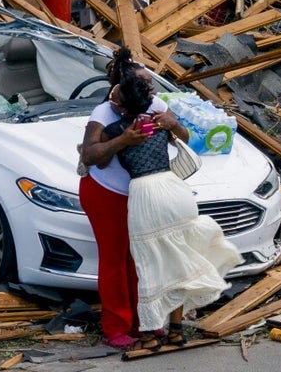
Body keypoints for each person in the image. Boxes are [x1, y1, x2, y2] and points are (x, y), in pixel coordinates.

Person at [101, 67, 243, 349]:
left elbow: (97, 159)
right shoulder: (160, 122)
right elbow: (185, 138)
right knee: (178, 260)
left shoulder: (116, 130)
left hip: (145, 193)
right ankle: (176, 330)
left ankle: (152, 334)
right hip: (176, 190)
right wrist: (171, 124)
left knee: (151, 264)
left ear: (121, 105)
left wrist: (119, 141)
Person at [78, 47, 188, 350]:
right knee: (115, 261)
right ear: (121, 95)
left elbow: (186, 138)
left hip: (142, 195)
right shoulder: (102, 113)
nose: (151, 91)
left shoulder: (153, 103)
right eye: (145, 86)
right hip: (105, 194)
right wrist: (123, 139)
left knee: (139, 260)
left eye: (151, 86)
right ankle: (116, 328)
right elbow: (89, 155)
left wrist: (172, 123)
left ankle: (145, 325)